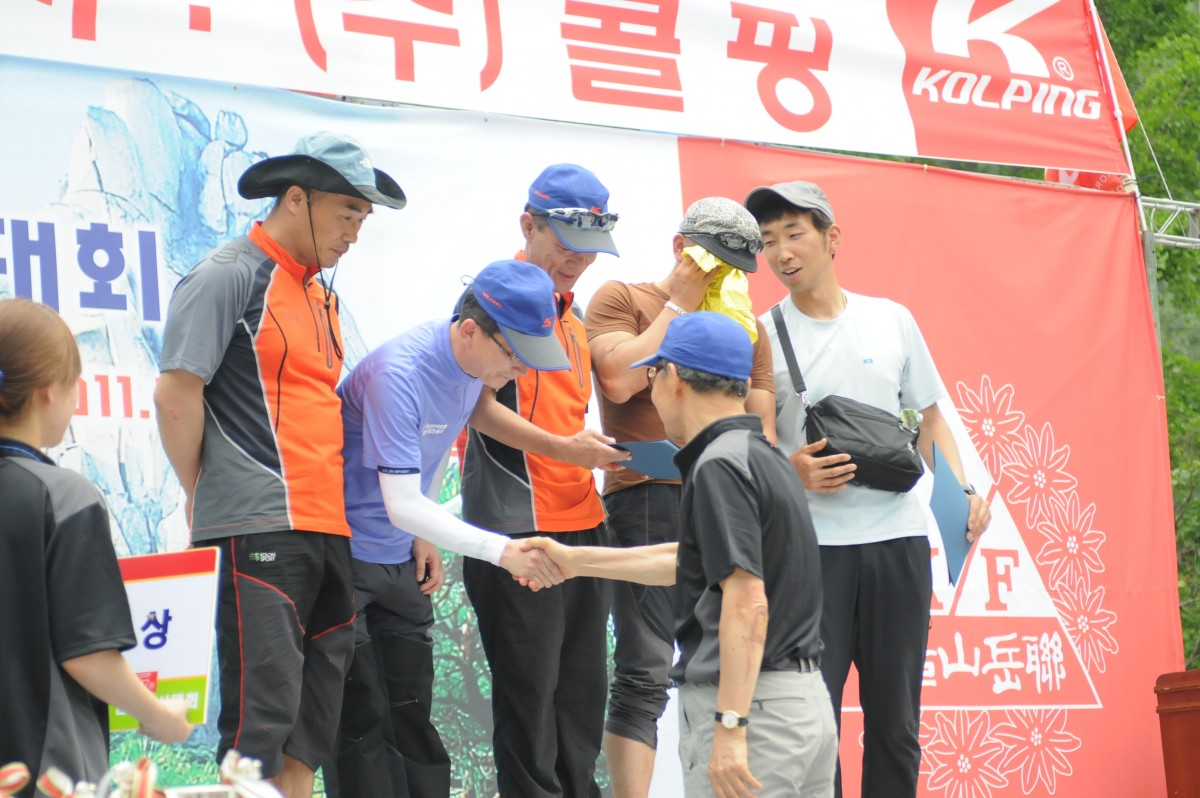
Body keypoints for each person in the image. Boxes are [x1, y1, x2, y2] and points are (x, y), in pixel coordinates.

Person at [154, 132, 406, 798]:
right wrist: (198, 489)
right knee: (259, 727)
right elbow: (176, 391)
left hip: (329, 528)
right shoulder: (229, 274)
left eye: (364, 218)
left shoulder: (320, 294)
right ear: (296, 198)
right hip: (258, 525)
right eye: (347, 213)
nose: (355, 232)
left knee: (309, 728)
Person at [744, 181, 992, 798]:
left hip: (898, 544)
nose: (781, 253)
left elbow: (930, 420)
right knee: (813, 728)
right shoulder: (761, 334)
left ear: (832, 238)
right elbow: (752, 445)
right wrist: (791, 471)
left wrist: (964, 492)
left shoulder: (891, 319)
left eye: (794, 234)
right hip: (810, 552)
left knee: (896, 725)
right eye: (768, 242)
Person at [525, 311, 838, 797]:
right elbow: (690, 559)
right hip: (803, 705)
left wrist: (730, 725)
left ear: (672, 377)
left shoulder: (719, 465)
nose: (652, 391)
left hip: (754, 715)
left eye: (652, 375)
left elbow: (747, 600)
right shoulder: (764, 457)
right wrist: (576, 561)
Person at [329, 259, 571, 798]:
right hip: (345, 557)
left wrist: (425, 534)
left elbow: (432, 451)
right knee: (359, 721)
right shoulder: (399, 374)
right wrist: (502, 552)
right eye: (514, 355)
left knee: (413, 713)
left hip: (400, 558)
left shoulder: (471, 371)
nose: (520, 370)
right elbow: (400, 503)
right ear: (469, 331)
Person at [584, 196, 778, 797]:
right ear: (680, 248)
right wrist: (679, 307)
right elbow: (618, 381)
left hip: (725, 499)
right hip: (645, 496)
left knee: (727, 664)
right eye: (713, 261)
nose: (723, 277)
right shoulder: (622, 298)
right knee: (644, 669)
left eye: (735, 269)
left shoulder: (744, 328)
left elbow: (760, 432)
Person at [459, 163, 629, 797]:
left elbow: (571, 416)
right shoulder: (490, 301)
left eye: (591, 247)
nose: (577, 259)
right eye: (566, 242)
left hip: (584, 528)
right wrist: (563, 448)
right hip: (517, 532)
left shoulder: (574, 316)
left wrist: (603, 453)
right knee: (530, 712)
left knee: (582, 705)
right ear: (527, 225)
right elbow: (475, 408)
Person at [0, 298, 193, 795]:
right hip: (42, 771)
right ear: (49, 389)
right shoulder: (62, 497)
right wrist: (160, 717)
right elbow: (86, 653)